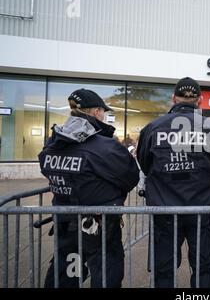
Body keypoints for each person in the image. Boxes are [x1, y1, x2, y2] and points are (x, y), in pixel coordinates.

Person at [39, 88, 140, 288]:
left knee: (66, 273)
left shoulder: (53, 143)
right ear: (95, 112)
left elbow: (46, 167)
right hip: (99, 225)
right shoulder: (104, 146)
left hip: (65, 222)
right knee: (106, 273)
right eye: (103, 111)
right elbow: (130, 177)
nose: (104, 115)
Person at [137, 77, 210, 288]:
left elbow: (145, 164)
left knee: (164, 270)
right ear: (200, 100)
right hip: (202, 211)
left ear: (173, 99)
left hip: (165, 212)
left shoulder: (153, 128)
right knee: (204, 268)